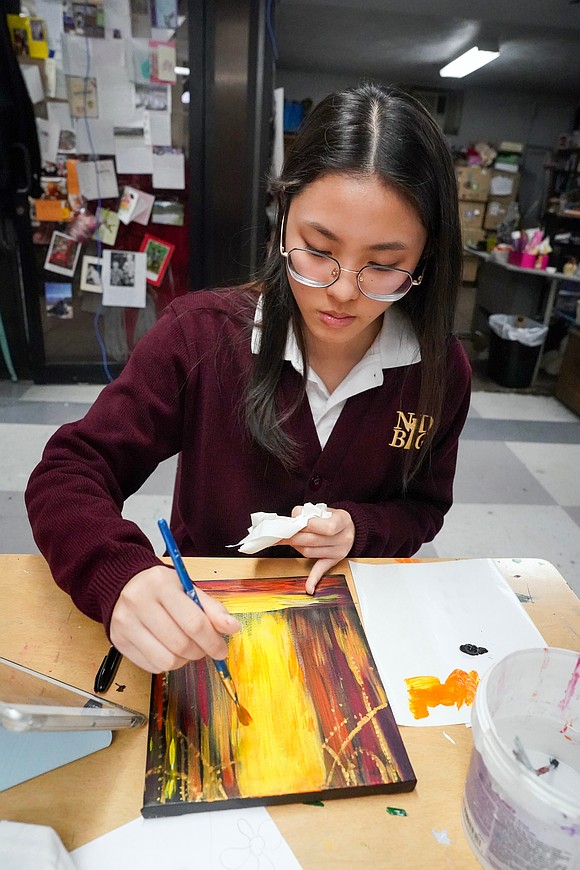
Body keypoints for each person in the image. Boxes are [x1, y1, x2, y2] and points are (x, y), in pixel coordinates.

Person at [26, 83, 471, 676]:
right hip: (204, 626)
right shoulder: (202, 338)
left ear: (425, 257)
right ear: (283, 218)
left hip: (347, 626)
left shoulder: (438, 372)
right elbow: (69, 471)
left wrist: (359, 529)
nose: (341, 291)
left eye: (384, 266)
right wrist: (120, 575)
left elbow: (422, 509)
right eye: (317, 250)